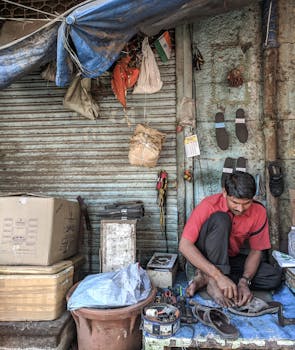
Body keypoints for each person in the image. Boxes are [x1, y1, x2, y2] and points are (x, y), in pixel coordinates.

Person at [179, 171, 282, 307]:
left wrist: (244, 281)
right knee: (221, 219)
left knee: (273, 277)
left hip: (228, 260)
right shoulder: (209, 205)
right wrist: (218, 276)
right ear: (224, 193)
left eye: (246, 203)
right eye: (234, 202)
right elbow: (184, 246)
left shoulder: (258, 211)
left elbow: (256, 251)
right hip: (204, 257)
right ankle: (212, 282)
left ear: (253, 198)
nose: (240, 209)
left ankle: (204, 277)